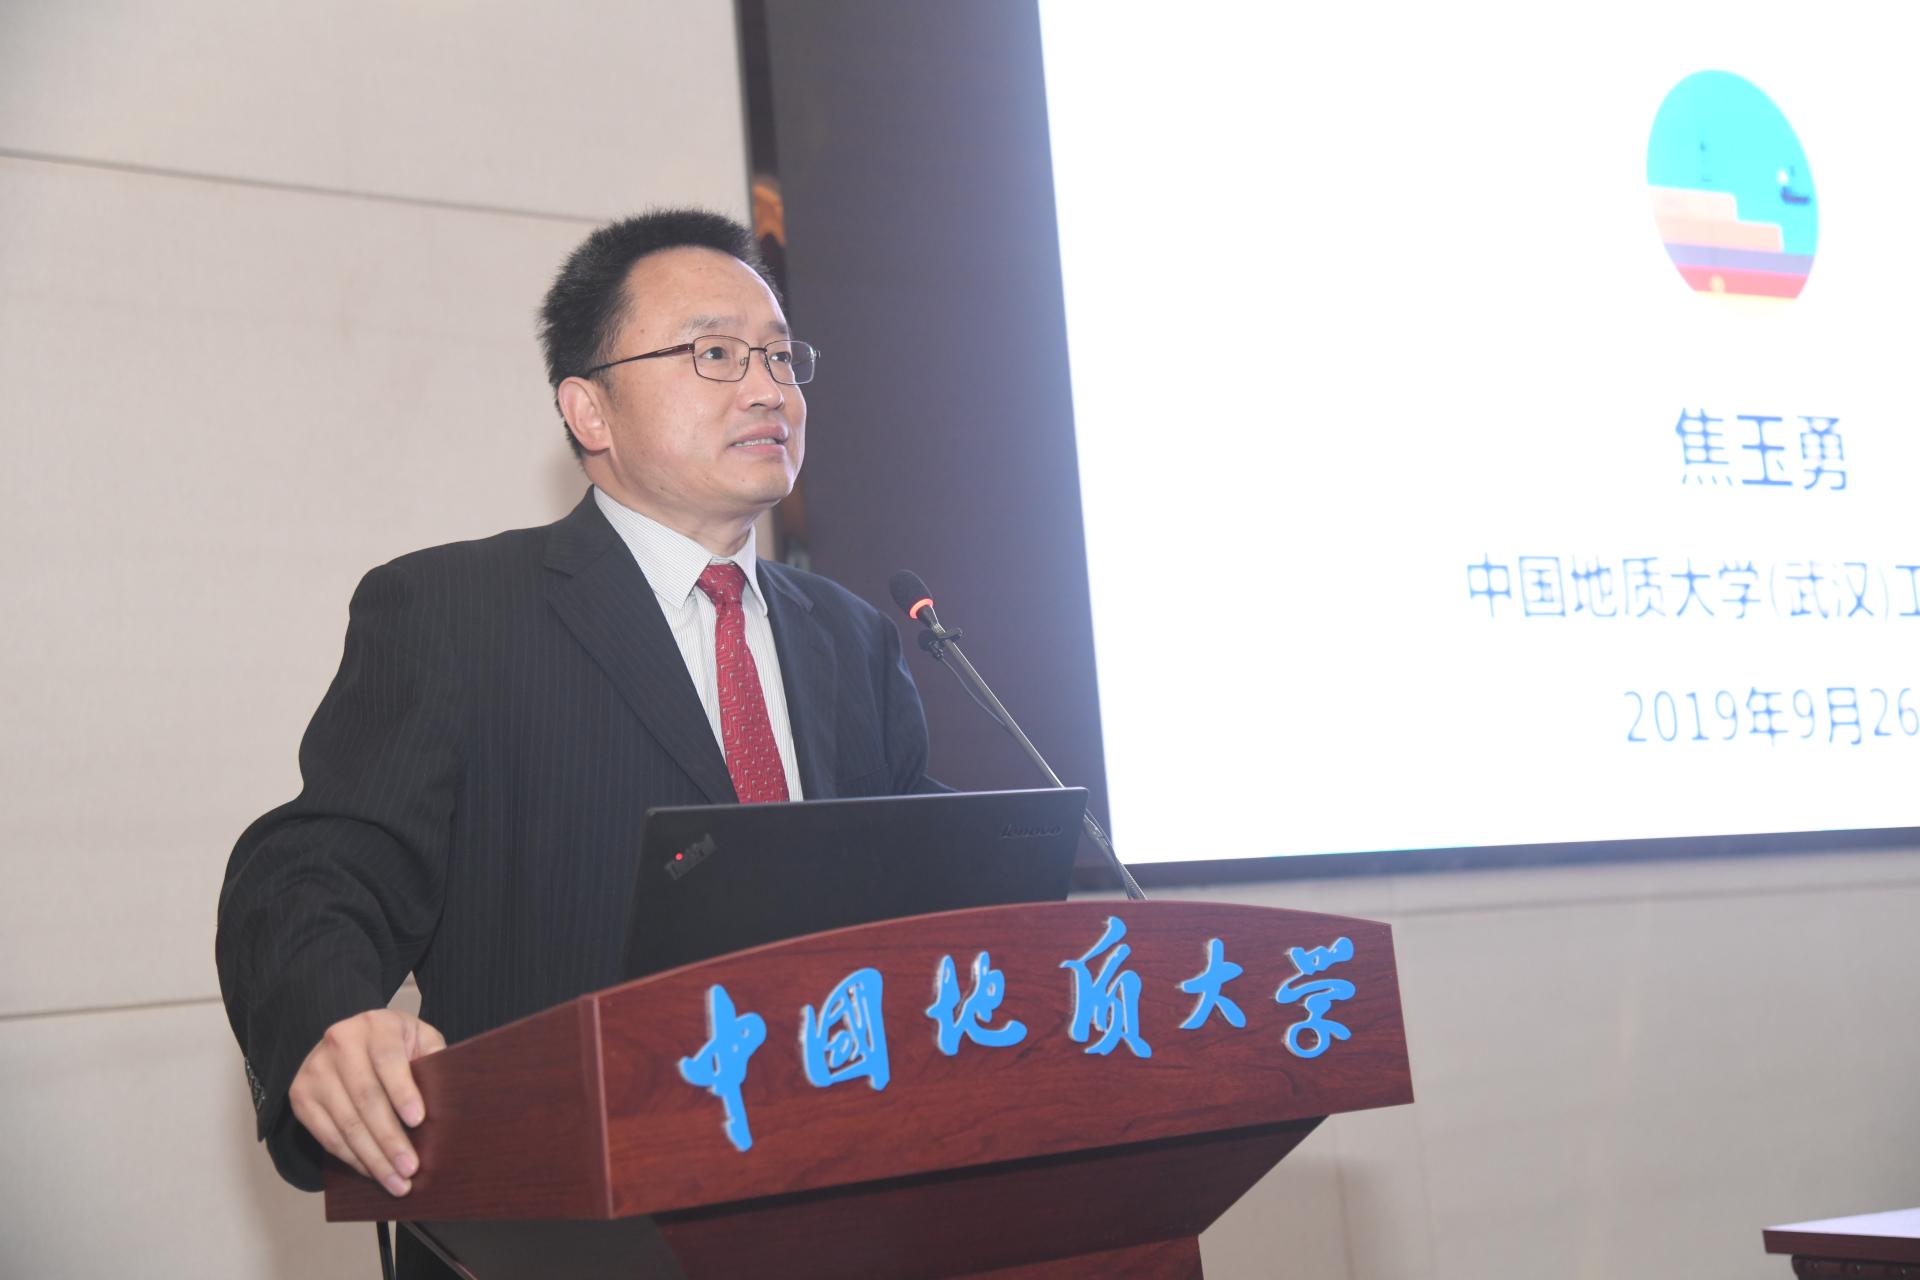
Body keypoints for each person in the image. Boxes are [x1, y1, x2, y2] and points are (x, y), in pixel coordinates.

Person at [216, 209, 936, 1216]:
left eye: (781, 356)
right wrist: (329, 1019)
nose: (769, 389)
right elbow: (315, 871)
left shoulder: (853, 638)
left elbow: (936, 896)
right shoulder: (456, 613)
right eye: (715, 354)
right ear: (589, 411)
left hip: (842, 1195)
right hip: (564, 1215)